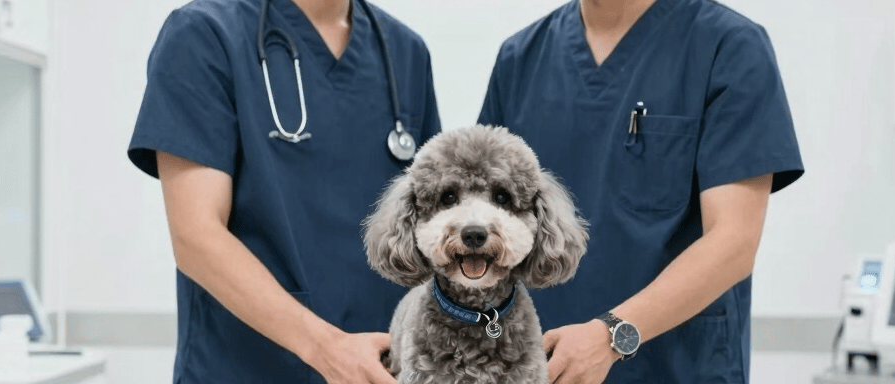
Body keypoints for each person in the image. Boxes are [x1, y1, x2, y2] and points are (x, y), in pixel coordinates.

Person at [478, 0, 804, 382]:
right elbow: (484, 226)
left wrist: (612, 334)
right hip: (543, 366)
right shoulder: (520, 59)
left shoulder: (727, 46)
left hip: (675, 367)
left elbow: (733, 243)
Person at [126, 0, 440, 382]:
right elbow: (196, 236)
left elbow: (432, 227)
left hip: (381, 370)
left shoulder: (404, 52)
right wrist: (327, 348)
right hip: (246, 370)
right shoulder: (205, 34)